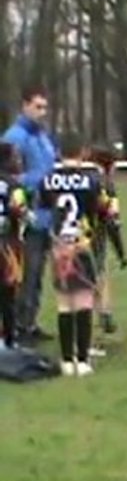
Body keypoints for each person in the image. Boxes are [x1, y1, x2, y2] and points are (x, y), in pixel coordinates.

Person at [37, 134, 114, 376]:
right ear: (82, 153)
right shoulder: (91, 181)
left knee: (63, 303)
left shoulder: (47, 181)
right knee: (83, 301)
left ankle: (66, 360)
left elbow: (41, 215)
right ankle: (82, 360)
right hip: (81, 245)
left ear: (59, 153)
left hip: (59, 246)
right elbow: (103, 211)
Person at [3, 85, 57, 344]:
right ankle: (19, 326)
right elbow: (9, 177)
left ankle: (30, 321)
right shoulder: (14, 138)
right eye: (37, 107)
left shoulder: (43, 136)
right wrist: (38, 181)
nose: (42, 112)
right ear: (25, 106)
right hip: (27, 216)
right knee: (26, 273)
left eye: (45, 107)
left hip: (48, 214)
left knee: (38, 274)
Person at [88, 145, 127, 336]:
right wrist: (121, 252)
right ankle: (103, 318)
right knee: (99, 277)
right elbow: (112, 221)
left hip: (72, 239)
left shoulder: (81, 179)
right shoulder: (107, 186)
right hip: (96, 238)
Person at [0, 142, 27, 349]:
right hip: (7, 245)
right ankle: (10, 338)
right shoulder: (13, 185)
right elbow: (20, 211)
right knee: (8, 293)